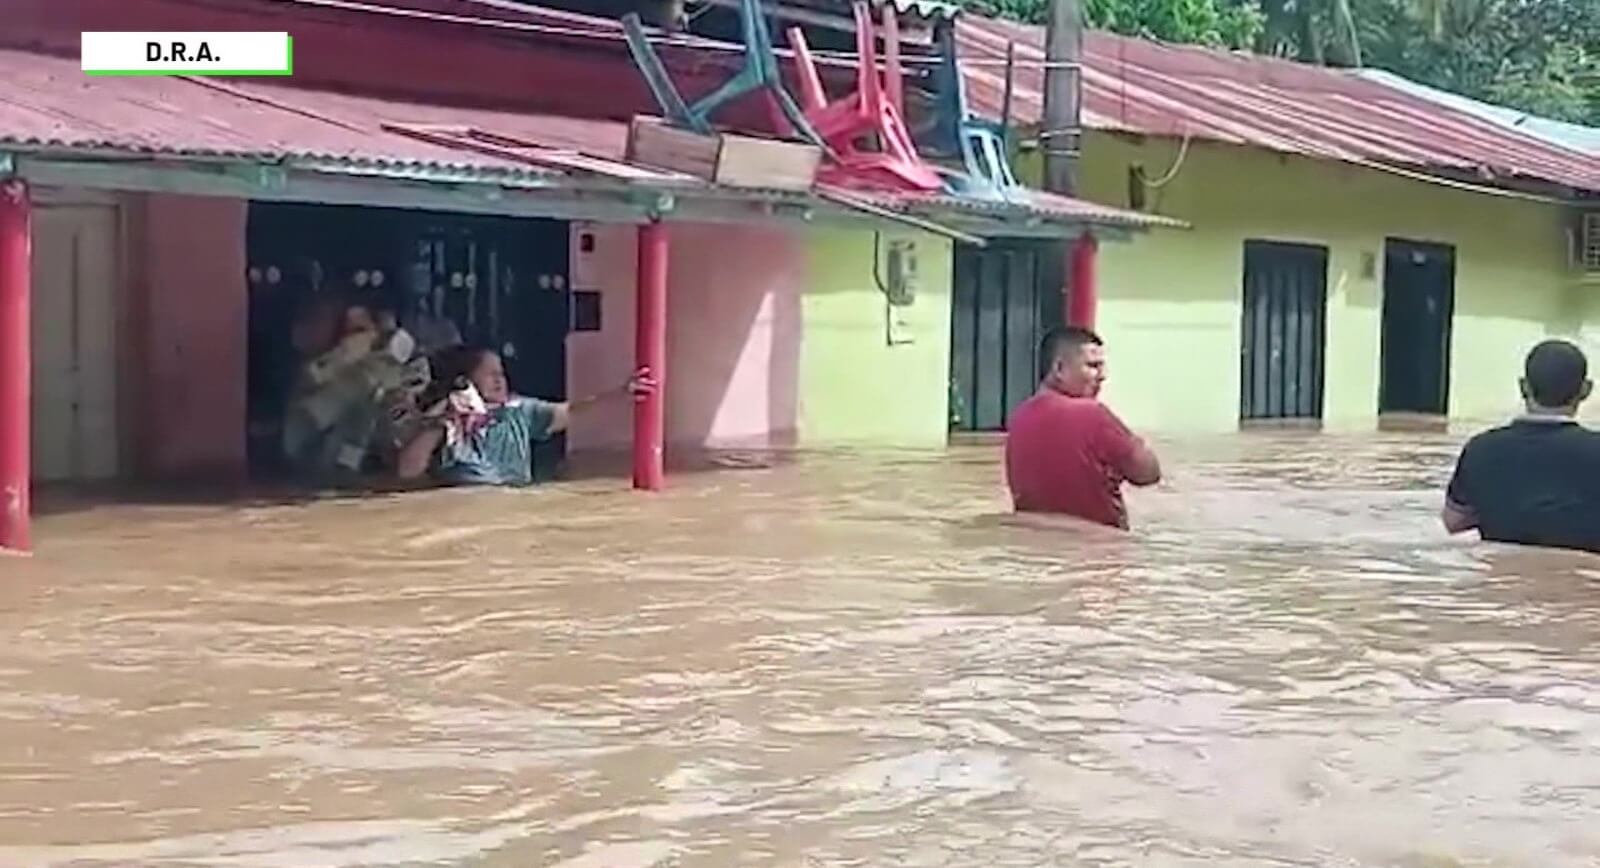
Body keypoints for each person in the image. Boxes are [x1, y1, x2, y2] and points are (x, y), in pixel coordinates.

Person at [397, 347, 655, 486]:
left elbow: (571, 411)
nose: (500, 379)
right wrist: (442, 422)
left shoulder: (520, 411)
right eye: (489, 374)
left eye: (501, 372)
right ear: (465, 382)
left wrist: (620, 394)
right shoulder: (448, 423)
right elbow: (408, 471)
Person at [1442, 339, 1600, 554]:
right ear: (1586, 390)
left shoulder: (1481, 449)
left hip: (1500, 580)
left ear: (1523, 386)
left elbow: (1453, 522)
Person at [1004, 326, 1162, 529]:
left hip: (1034, 542)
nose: (1103, 375)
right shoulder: (1094, 415)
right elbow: (1148, 474)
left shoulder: (1019, 418)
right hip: (1098, 549)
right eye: (1093, 366)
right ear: (1059, 368)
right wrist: (1136, 442)